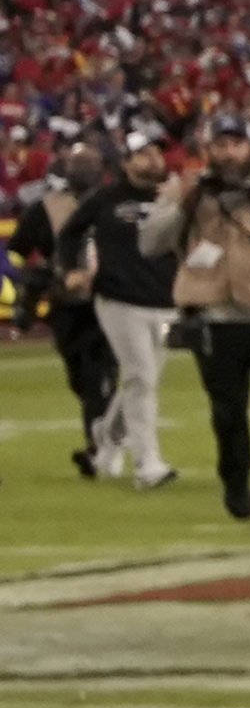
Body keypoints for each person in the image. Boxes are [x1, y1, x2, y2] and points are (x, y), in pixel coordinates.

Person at [149, 116, 250, 528]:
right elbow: (150, 243)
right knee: (228, 410)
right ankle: (235, 479)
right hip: (214, 314)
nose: (229, 153)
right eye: (221, 144)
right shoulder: (187, 190)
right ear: (209, 149)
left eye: (236, 144)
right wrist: (184, 202)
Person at [70, 129, 180, 491]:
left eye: (156, 153)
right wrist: (73, 268)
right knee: (142, 377)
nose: (153, 160)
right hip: (118, 299)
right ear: (126, 161)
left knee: (140, 379)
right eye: (143, 153)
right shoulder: (106, 198)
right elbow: (71, 231)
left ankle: (105, 436)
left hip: (165, 300)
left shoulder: (175, 196)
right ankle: (147, 465)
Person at [21, 135, 118, 474]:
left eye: (89, 166)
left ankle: (98, 447)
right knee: (79, 378)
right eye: (78, 167)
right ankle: (107, 431)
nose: (83, 173)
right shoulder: (47, 207)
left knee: (96, 376)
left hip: (107, 300)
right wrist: (31, 287)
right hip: (65, 303)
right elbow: (19, 247)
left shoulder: (114, 203)